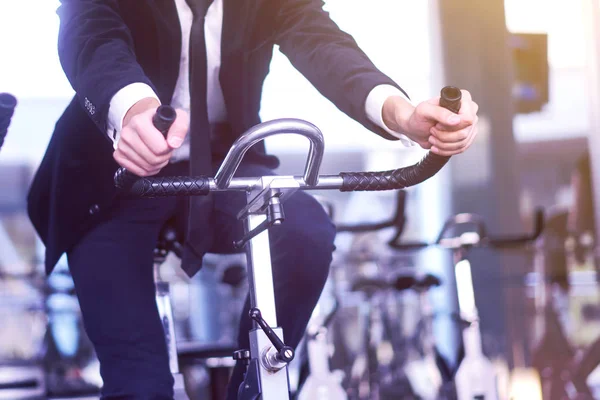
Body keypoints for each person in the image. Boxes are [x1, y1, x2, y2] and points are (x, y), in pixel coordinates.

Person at [27, 0, 480, 398]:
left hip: (225, 162)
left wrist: (401, 114)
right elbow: (90, 32)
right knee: (138, 383)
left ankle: (252, 388)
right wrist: (130, 109)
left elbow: (321, 42)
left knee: (304, 229)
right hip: (110, 178)